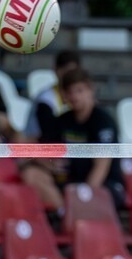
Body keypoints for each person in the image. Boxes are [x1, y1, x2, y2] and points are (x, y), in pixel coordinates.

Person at [35, 68, 125, 209]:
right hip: (71, 182)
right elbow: (39, 149)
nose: (75, 96)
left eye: (80, 91)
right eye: (70, 92)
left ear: (91, 91)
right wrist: (49, 163)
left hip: (105, 185)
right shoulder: (63, 120)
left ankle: (72, 211)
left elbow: (101, 167)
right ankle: (63, 211)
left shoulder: (103, 121)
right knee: (31, 174)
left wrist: (83, 197)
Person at [25, 49, 80, 141]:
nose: (69, 77)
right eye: (65, 71)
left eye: (72, 72)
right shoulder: (45, 98)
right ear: (56, 71)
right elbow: (49, 133)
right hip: (38, 145)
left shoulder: (81, 98)